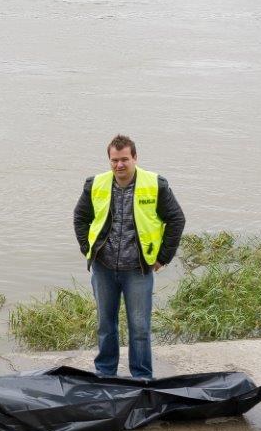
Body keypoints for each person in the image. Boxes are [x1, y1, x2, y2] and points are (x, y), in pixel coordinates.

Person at [73, 134, 185, 379]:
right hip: (103, 268)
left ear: (135, 158)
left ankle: (142, 377)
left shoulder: (156, 184)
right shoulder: (95, 184)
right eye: (114, 160)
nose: (119, 165)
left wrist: (163, 257)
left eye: (124, 159)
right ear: (109, 160)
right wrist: (87, 249)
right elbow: (80, 218)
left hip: (138, 269)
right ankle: (105, 374)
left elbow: (176, 219)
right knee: (105, 325)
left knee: (140, 328)